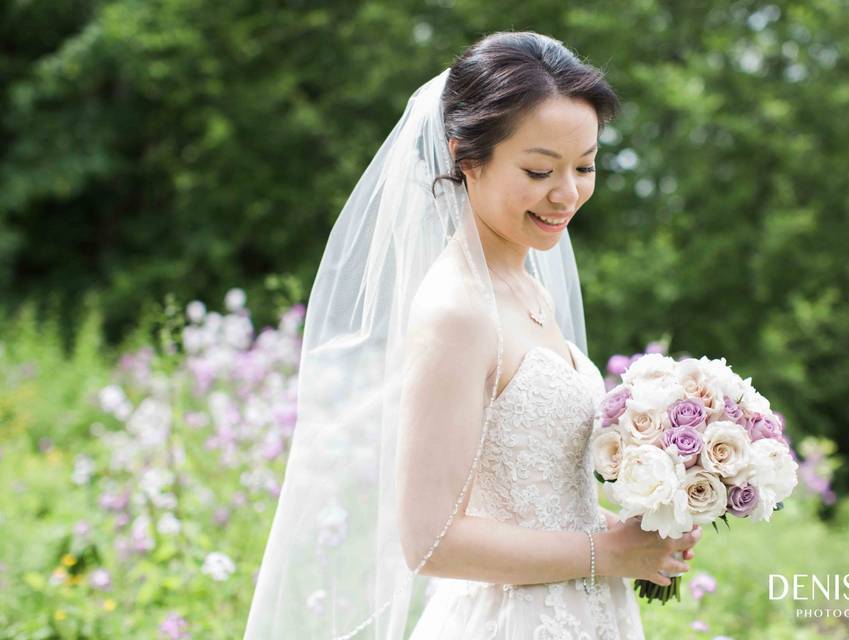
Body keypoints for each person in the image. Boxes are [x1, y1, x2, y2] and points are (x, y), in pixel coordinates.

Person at [243, 31, 700, 640]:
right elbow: (431, 542)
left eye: (585, 166)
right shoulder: (457, 311)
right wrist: (606, 551)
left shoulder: (529, 285)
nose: (567, 193)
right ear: (466, 156)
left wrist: (643, 531)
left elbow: (533, 496)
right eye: (540, 170)